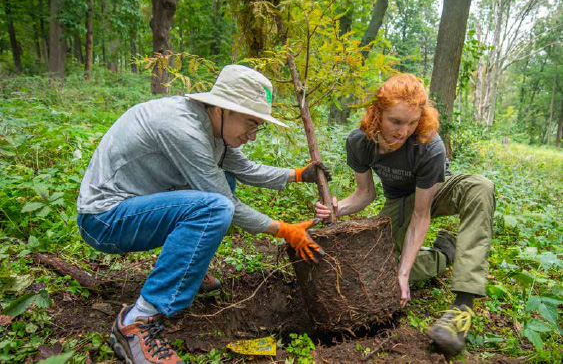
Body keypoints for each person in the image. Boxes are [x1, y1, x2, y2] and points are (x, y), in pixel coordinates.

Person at [76, 64, 328, 364]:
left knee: (225, 184)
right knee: (215, 207)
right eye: (250, 122)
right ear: (222, 108)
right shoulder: (183, 129)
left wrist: (300, 174)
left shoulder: (211, 126)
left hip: (134, 207)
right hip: (104, 218)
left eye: (257, 125)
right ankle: (137, 322)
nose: (252, 135)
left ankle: (185, 274)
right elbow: (226, 204)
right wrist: (284, 229)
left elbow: (244, 169)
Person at [315, 73, 495, 356]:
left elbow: (422, 214)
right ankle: (444, 254)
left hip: (435, 192)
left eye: (412, 122)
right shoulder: (359, 143)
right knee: (380, 273)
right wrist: (337, 208)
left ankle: (462, 306)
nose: (403, 131)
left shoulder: (428, 144)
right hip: (398, 200)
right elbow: (365, 194)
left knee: (480, 188)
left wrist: (405, 272)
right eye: (396, 121)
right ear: (377, 114)